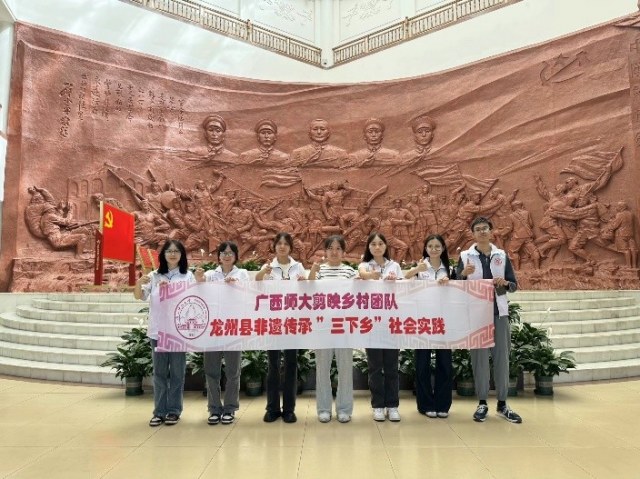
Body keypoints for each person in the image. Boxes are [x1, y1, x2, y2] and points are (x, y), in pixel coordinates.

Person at [456, 217, 522, 424]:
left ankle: (502, 403)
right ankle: (482, 402)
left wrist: (505, 283)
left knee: (502, 357)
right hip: (476, 315)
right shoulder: (465, 256)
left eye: (485, 228)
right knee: (479, 359)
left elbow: (513, 285)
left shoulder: (501, 255)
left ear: (491, 231)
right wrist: (463, 274)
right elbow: (456, 285)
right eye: (478, 229)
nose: (482, 232)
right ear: (473, 234)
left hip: (498, 312)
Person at [134, 240, 194, 427]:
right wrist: (139, 282)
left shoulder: (187, 276)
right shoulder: (153, 276)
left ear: (181, 255)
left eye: (176, 251)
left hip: (178, 331)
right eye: (169, 251)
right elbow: (139, 296)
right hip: (158, 331)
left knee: (177, 373)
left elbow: (194, 299)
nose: (173, 254)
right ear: (163, 255)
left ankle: (174, 411)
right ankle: (159, 412)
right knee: (159, 373)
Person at [195, 241, 249, 426]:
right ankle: (214, 408)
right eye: (223, 253)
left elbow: (249, 295)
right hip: (213, 328)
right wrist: (199, 279)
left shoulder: (242, 274)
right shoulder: (210, 275)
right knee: (211, 371)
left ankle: (230, 408)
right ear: (218, 256)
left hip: (233, 327)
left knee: (233, 371)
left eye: (230, 253)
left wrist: (237, 286)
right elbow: (199, 291)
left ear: (235, 256)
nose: (227, 256)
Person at [255, 232, 306, 423]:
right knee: (273, 365)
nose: (282, 246)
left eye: (286, 244)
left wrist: (304, 283)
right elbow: (256, 286)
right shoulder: (268, 267)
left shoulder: (298, 267)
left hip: (293, 322)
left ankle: (289, 409)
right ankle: (272, 408)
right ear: (274, 247)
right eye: (279, 243)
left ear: (290, 247)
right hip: (273, 322)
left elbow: (306, 291)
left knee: (291, 364)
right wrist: (262, 273)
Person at [404, 234, 454, 418]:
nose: (434, 249)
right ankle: (425, 405)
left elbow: (458, 292)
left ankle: (443, 405)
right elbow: (403, 280)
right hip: (422, 322)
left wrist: (450, 282)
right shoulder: (420, 267)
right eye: (430, 246)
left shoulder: (449, 269)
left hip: (444, 322)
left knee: (445, 364)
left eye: (437, 246)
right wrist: (416, 269)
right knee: (422, 364)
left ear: (443, 249)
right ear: (425, 248)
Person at [309, 235, 357, 423]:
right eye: (330, 248)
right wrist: (312, 272)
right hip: (323, 326)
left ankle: (344, 409)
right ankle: (324, 409)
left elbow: (359, 294)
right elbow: (309, 290)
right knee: (322, 369)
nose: (334, 252)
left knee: (345, 369)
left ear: (343, 252)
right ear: (325, 251)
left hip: (344, 326)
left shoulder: (349, 271)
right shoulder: (319, 270)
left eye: (338, 248)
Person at [358, 231, 402, 422]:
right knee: (375, 367)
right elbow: (362, 275)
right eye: (373, 244)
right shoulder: (364, 265)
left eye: (380, 244)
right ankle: (377, 405)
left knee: (392, 367)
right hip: (372, 324)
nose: (377, 247)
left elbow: (404, 291)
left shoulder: (395, 266)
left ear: (386, 246)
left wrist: (395, 283)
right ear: (368, 247)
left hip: (392, 323)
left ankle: (392, 405)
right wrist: (371, 275)